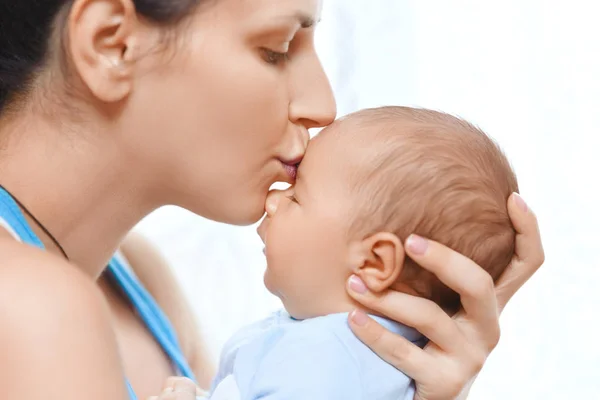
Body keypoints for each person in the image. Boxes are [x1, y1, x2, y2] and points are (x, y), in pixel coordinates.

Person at [0, 1, 545, 400]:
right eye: (277, 49)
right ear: (111, 44)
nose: (324, 106)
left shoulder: (143, 287)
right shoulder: (28, 304)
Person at [146, 106, 522, 400]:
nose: (274, 199)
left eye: (297, 196)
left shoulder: (324, 358)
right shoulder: (344, 356)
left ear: (375, 262)